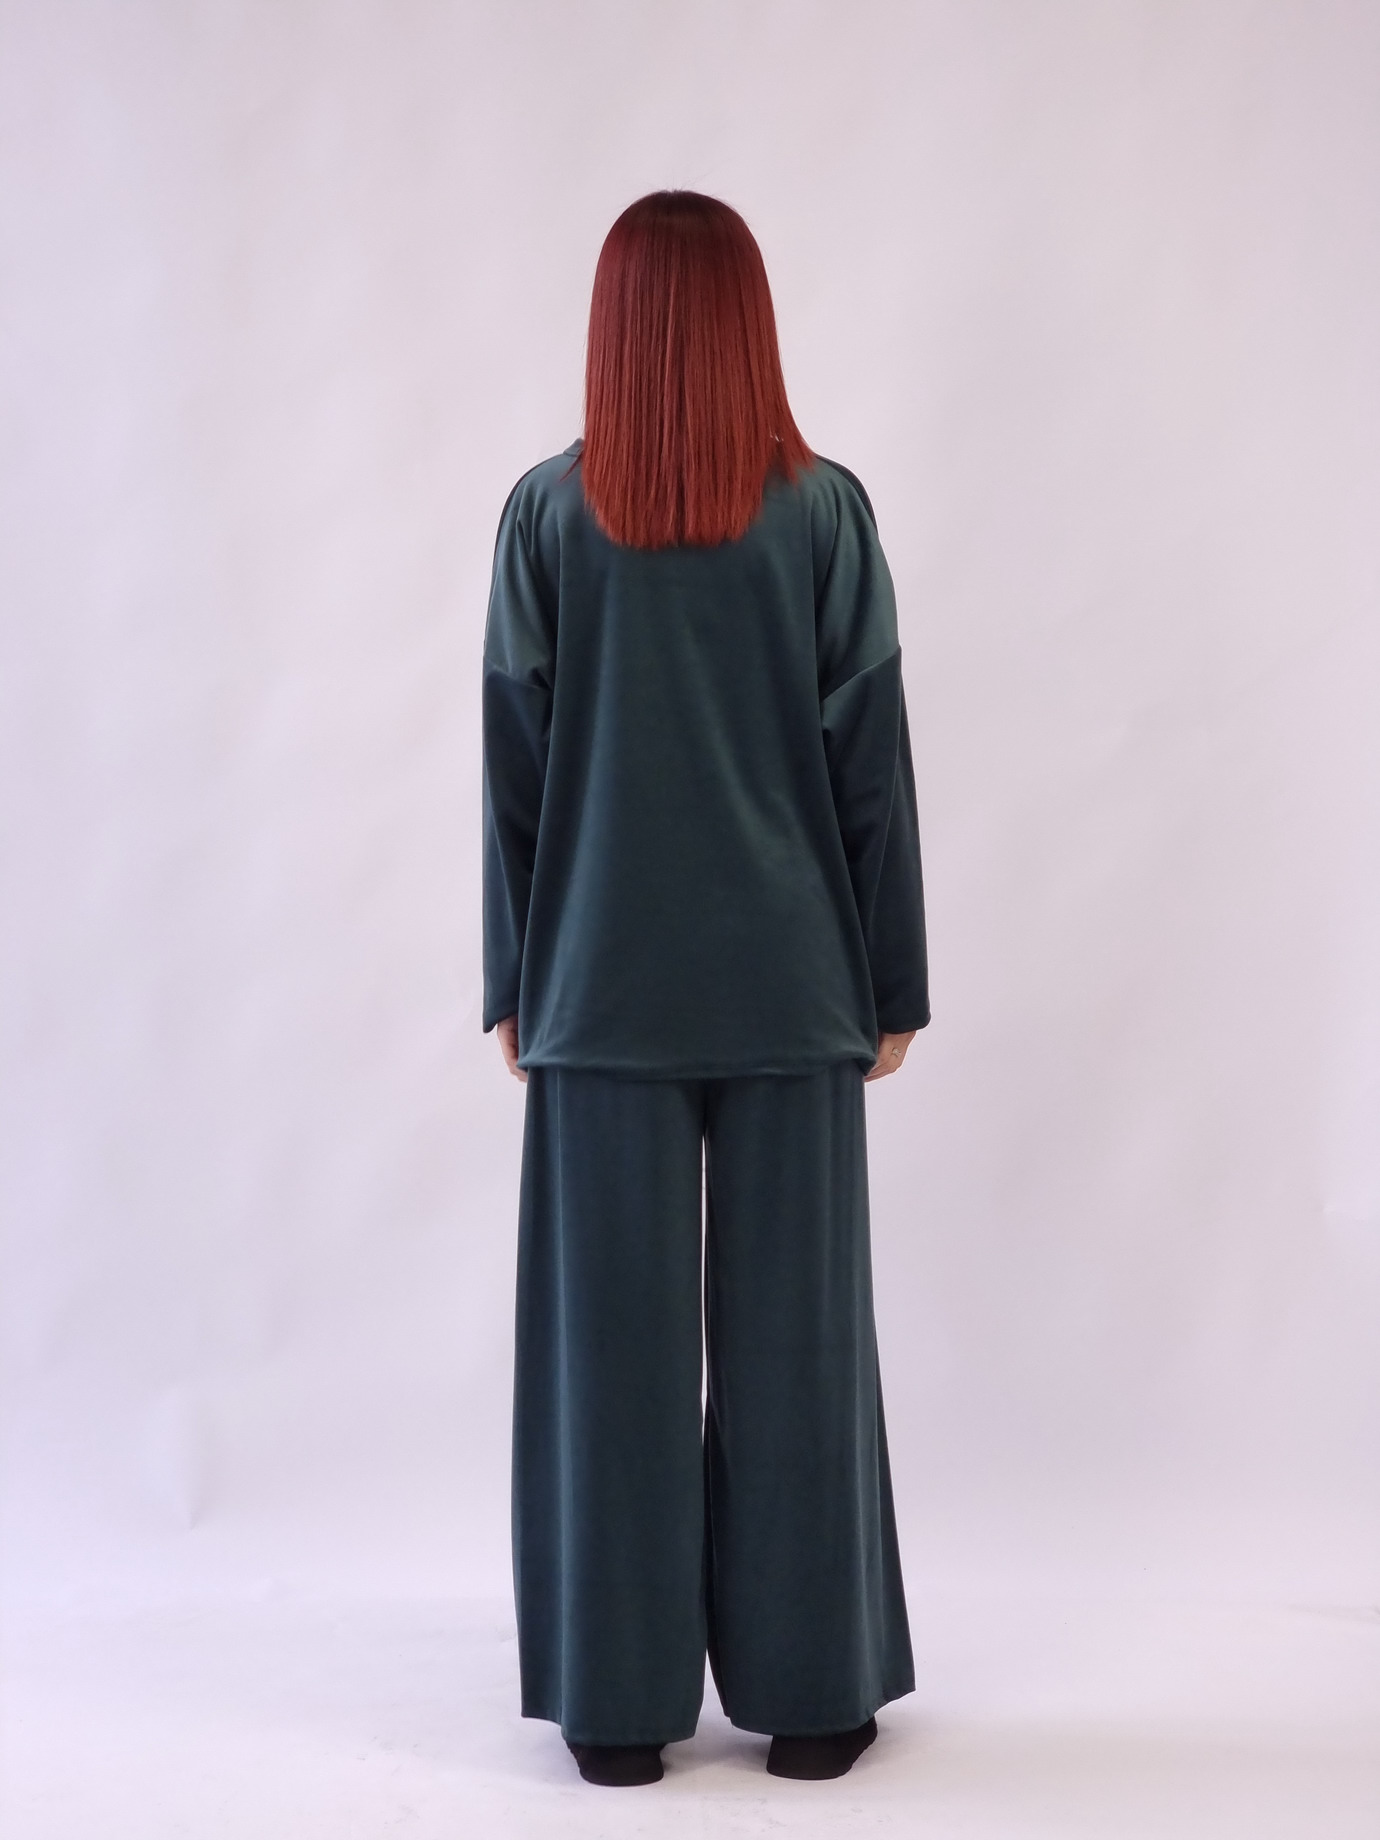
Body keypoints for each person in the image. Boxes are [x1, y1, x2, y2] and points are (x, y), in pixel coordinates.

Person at [481, 190, 929, 1788]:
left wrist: (516, 980)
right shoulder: (826, 516)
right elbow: (869, 760)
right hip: (794, 987)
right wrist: (891, 982)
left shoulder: (545, 517)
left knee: (606, 1356)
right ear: (750, 324)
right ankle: (814, 1702)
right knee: (802, 1347)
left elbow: (515, 766)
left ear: (612, 326)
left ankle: (616, 1712)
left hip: (600, 990)